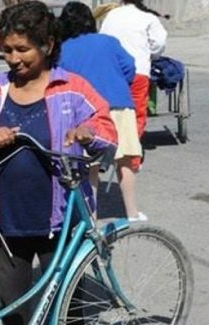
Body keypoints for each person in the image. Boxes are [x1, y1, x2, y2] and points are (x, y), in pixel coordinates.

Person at [0, 1, 117, 325]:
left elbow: (107, 128)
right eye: (7, 50)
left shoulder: (72, 88)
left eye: (22, 49)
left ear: (46, 45)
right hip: (8, 218)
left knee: (68, 291)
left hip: (60, 218)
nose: (13, 59)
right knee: (13, 299)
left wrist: (87, 132)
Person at [59, 2, 146, 222]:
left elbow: (61, 80)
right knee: (125, 160)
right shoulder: (109, 41)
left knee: (91, 167)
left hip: (88, 114)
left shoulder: (63, 49)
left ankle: (91, 218)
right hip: (120, 105)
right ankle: (132, 213)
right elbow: (129, 67)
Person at [100, 0, 167, 138]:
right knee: (136, 113)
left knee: (112, 110)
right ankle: (131, 152)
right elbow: (159, 43)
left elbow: (103, 38)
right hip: (138, 71)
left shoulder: (111, 15)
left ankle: (112, 146)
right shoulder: (148, 17)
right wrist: (151, 54)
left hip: (113, 71)